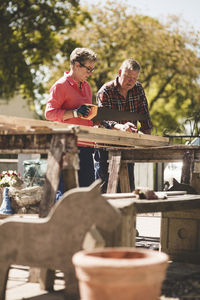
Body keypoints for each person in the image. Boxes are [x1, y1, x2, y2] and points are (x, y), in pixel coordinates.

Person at [95, 58, 153, 193]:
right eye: (128, 77)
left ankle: (125, 213)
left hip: (127, 146)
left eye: (134, 78)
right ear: (120, 72)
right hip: (106, 146)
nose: (131, 82)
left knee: (127, 188)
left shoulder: (138, 89)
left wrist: (147, 136)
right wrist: (121, 127)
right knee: (104, 189)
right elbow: (104, 120)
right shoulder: (106, 91)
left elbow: (144, 115)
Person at [45, 47, 97, 188]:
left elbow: (85, 117)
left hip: (85, 146)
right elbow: (49, 113)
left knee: (88, 193)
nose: (90, 73)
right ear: (76, 65)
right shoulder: (60, 86)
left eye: (93, 69)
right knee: (66, 193)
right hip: (66, 147)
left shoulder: (87, 87)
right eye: (88, 69)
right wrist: (74, 112)